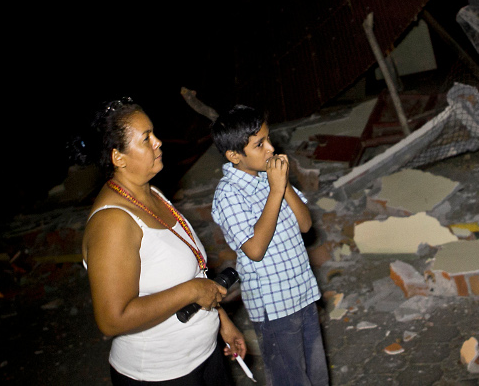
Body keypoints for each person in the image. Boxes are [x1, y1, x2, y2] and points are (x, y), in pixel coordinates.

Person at [73, 97, 246, 385]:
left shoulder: (151, 193)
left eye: (154, 133)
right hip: (161, 374)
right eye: (146, 138)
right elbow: (112, 319)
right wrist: (191, 291)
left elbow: (194, 272)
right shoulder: (112, 223)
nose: (158, 142)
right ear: (118, 157)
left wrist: (221, 322)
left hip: (205, 356)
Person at [210, 104, 329, 386]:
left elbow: (305, 225)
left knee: (317, 375)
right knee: (291, 379)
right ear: (234, 156)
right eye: (259, 144)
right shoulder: (229, 194)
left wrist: (282, 185)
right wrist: (276, 190)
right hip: (274, 308)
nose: (271, 148)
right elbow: (254, 249)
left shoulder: (269, 176)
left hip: (302, 292)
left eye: (268, 139)